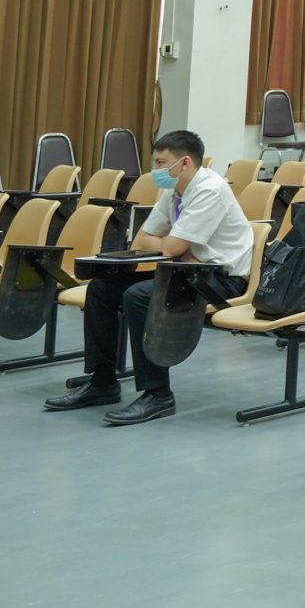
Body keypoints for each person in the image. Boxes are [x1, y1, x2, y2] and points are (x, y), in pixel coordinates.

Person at [43, 130, 254, 426]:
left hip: (221, 280)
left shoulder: (210, 189)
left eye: (160, 162)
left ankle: (158, 394)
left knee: (140, 295)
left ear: (184, 163)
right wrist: (178, 248)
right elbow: (142, 240)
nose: (155, 170)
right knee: (102, 288)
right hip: (188, 270)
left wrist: (175, 247)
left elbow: (169, 247)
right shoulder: (175, 190)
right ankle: (103, 382)